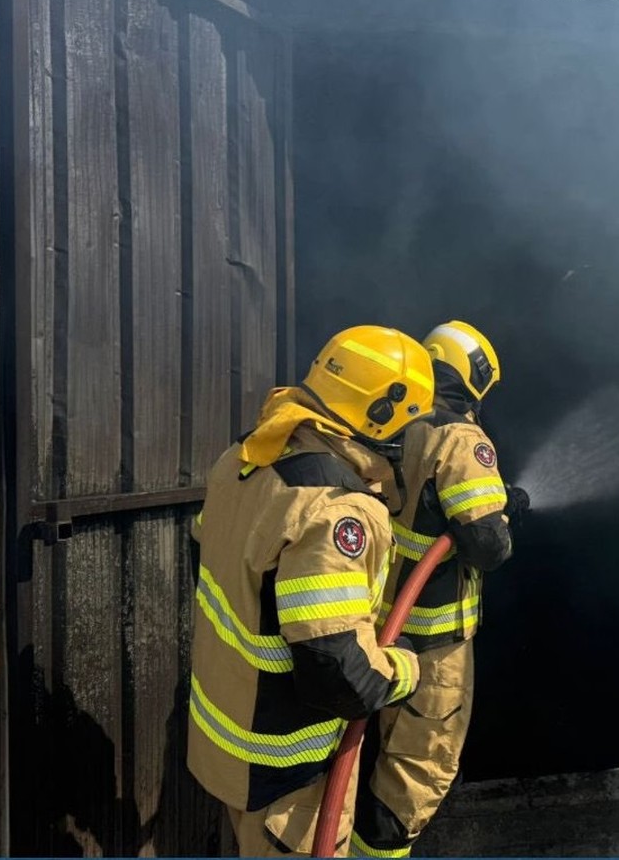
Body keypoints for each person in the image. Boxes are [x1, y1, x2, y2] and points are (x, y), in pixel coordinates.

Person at [188, 325, 435, 857]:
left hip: (226, 741)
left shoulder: (246, 458)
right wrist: (405, 668)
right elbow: (339, 674)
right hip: (286, 770)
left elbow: (208, 559)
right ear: (382, 411)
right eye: (411, 420)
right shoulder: (335, 509)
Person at [350, 320, 529, 858]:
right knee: (423, 763)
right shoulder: (461, 438)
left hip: (378, 625)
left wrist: (497, 500)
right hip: (434, 640)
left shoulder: (396, 424)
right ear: (475, 377)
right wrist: (505, 515)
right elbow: (488, 546)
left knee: (371, 748)